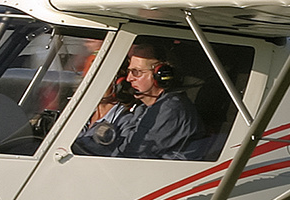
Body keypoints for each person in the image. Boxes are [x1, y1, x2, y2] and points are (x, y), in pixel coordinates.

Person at [72, 42, 204, 159]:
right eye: (129, 72)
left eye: (136, 72)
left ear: (161, 75)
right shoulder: (144, 108)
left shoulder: (171, 109)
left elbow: (133, 154)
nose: (129, 79)